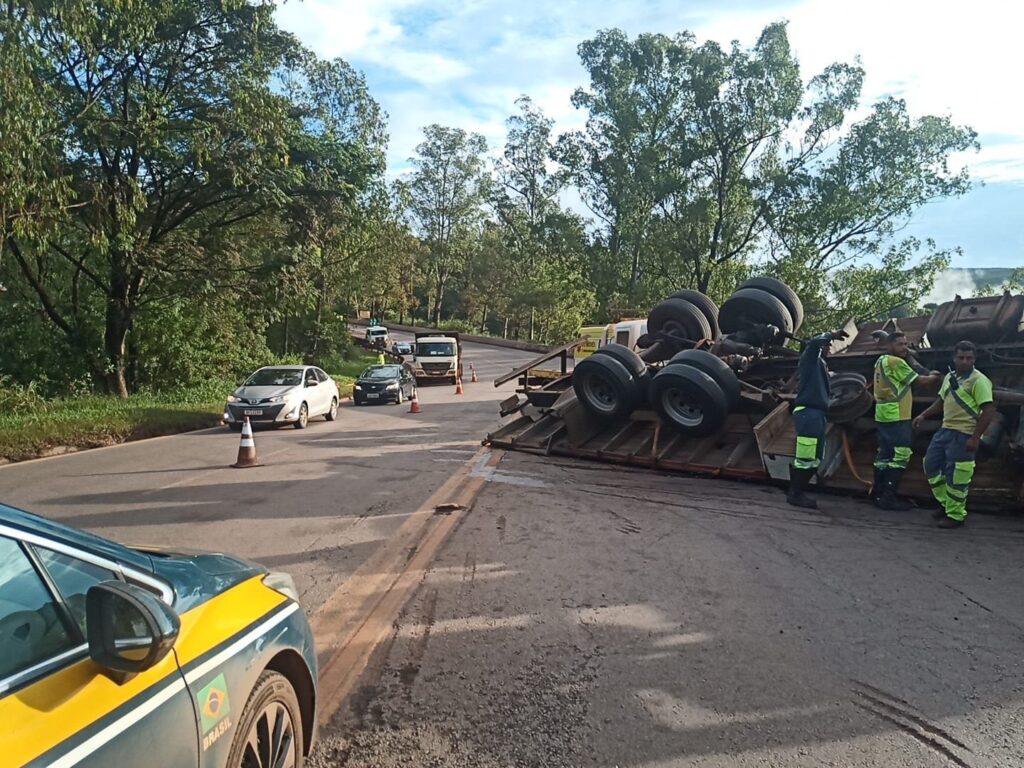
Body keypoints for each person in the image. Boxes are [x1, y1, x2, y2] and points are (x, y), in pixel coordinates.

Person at [912, 341, 996, 529]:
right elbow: (941, 401)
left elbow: (988, 410)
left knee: (957, 476)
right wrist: (923, 414)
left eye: (969, 358)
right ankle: (947, 504)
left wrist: (975, 438)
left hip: (964, 433)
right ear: (954, 358)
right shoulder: (951, 378)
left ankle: (956, 516)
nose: (965, 361)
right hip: (945, 431)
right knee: (930, 465)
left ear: (974, 359)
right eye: (961, 358)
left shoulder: (979, 380)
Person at [871, 332, 943, 510]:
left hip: (883, 412)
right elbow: (922, 381)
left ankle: (878, 494)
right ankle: (888, 497)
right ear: (889, 346)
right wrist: (934, 375)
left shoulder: (881, 361)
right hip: (897, 415)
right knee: (901, 454)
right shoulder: (896, 362)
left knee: (884, 455)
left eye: (905, 344)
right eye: (900, 345)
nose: (904, 348)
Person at [787, 328, 850, 509]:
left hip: (816, 414)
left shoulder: (819, 365)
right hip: (808, 413)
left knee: (814, 458)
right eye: (828, 345)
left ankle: (795, 490)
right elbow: (814, 343)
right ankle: (795, 494)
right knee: (805, 458)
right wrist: (831, 334)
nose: (830, 348)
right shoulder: (809, 360)